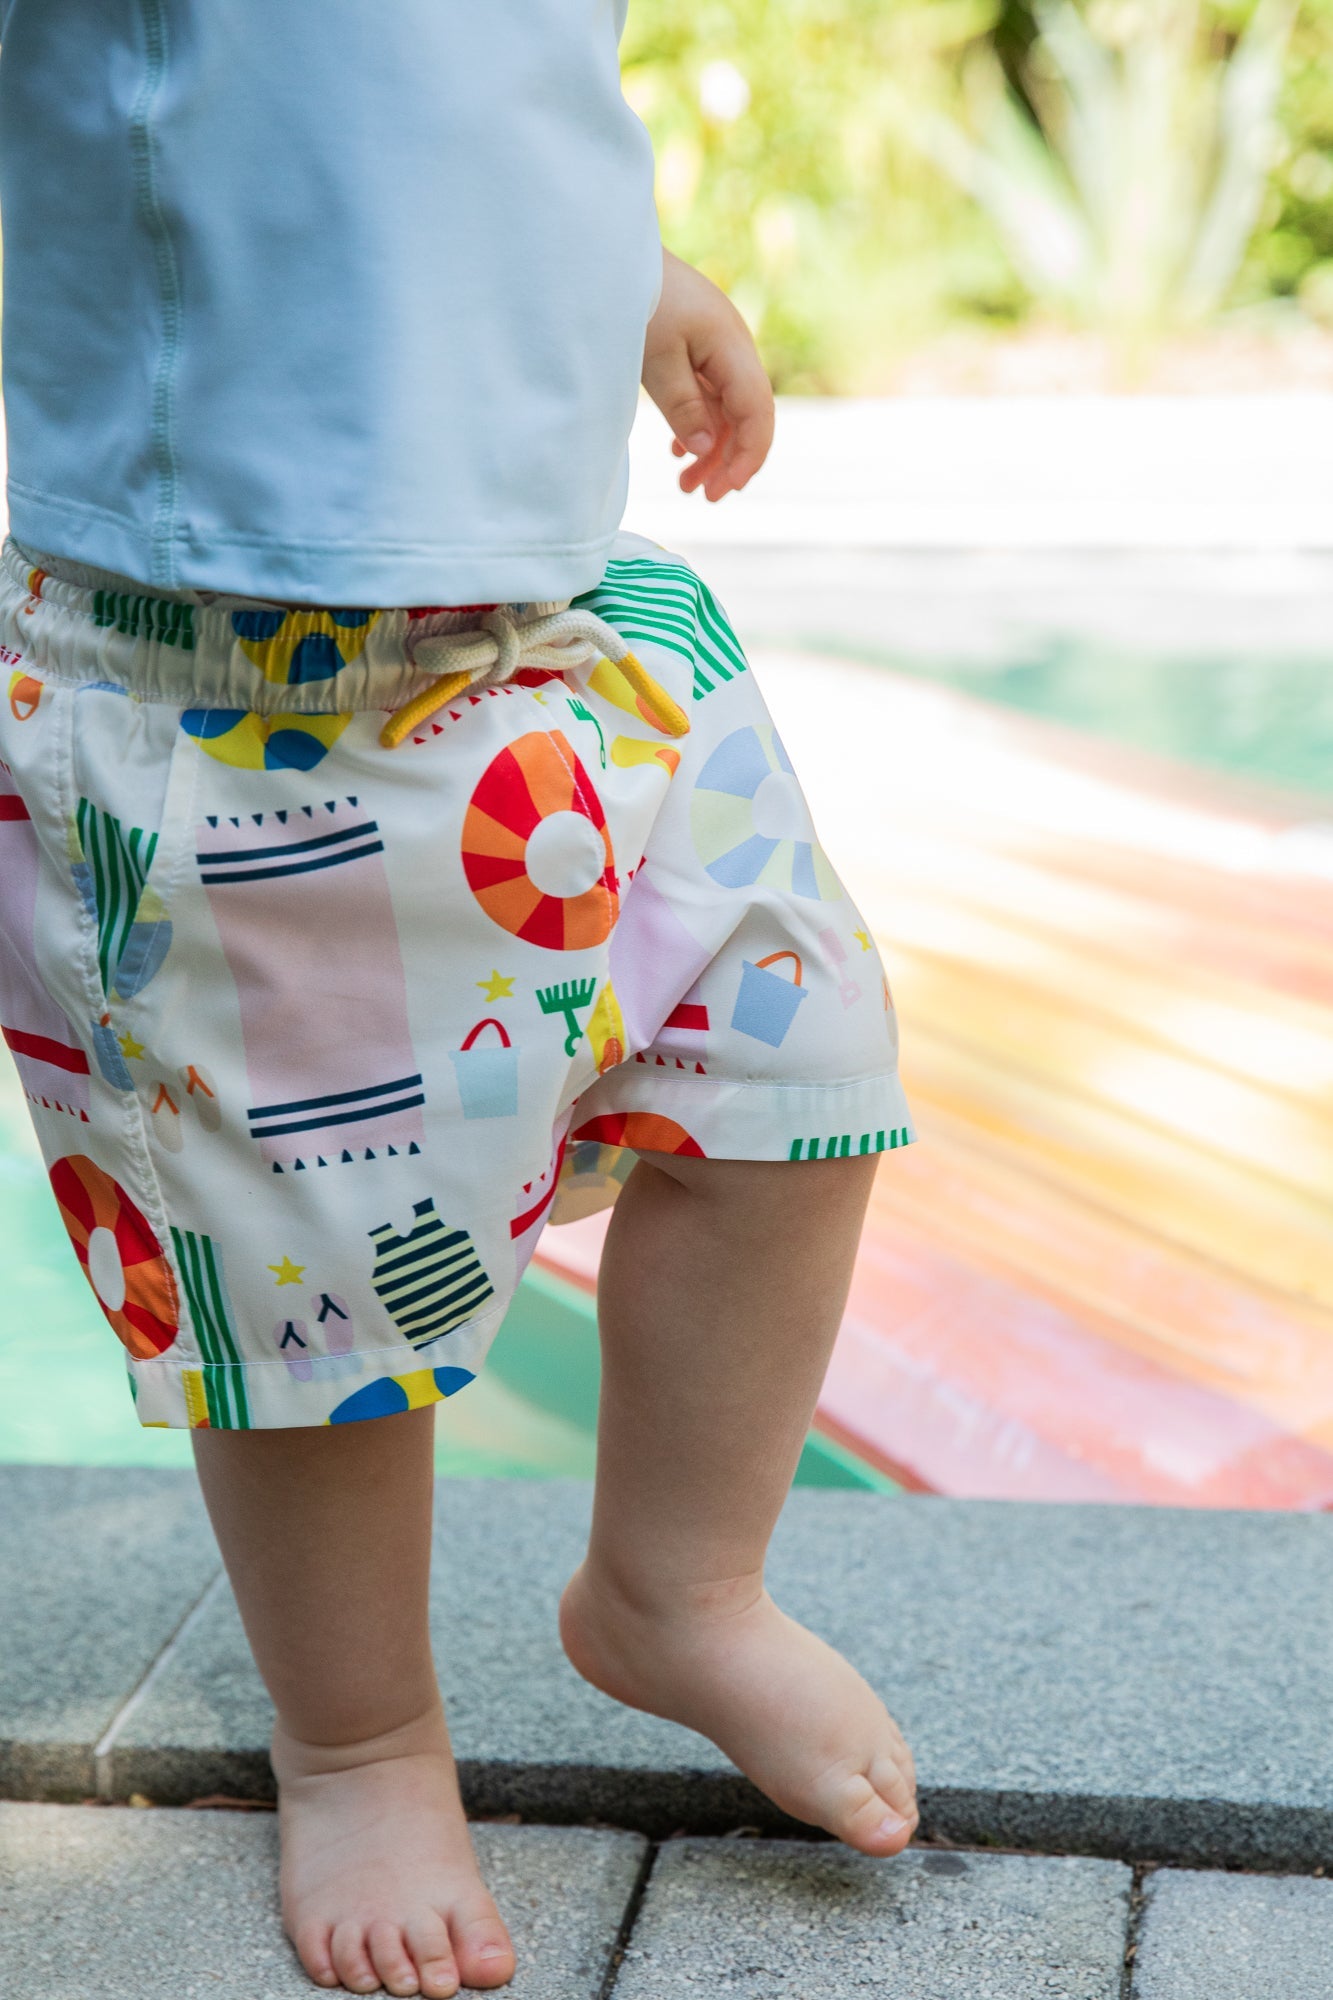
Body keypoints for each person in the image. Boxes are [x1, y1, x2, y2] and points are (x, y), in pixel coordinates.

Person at [0, 5, 920, 1994]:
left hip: (577, 624)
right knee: (310, 1284)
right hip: (233, 684)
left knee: (799, 1076)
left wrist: (609, 272)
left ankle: (675, 1585)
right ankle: (358, 1739)